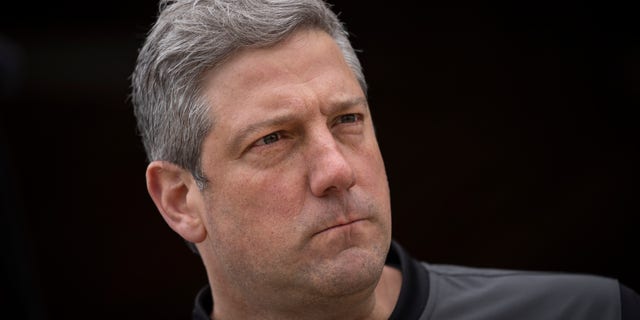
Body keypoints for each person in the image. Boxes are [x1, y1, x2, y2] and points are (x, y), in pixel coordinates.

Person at [130, 0, 640, 319]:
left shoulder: (593, 311)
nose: (338, 170)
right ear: (181, 200)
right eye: (273, 139)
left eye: (347, 120)